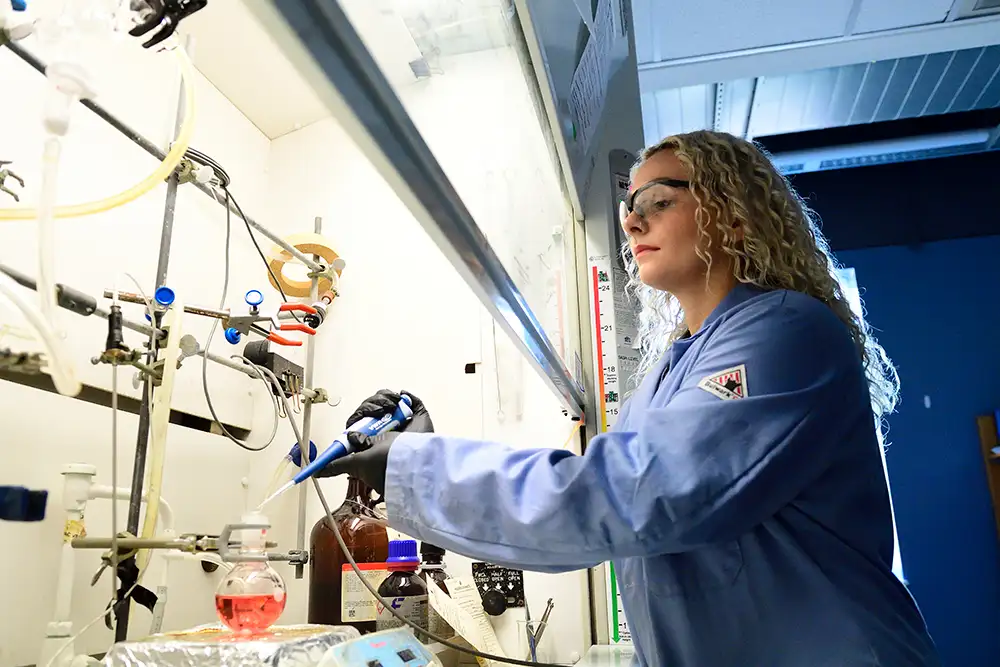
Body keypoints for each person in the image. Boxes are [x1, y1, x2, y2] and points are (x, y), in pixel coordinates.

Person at [320, 130, 940, 666]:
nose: (633, 221)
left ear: (735, 212)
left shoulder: (785, 330)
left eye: (658, 201)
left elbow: (629, 497)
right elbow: (598, 491)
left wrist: (417, 464)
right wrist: (426, 455)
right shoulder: (678, 366)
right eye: (628, 210)